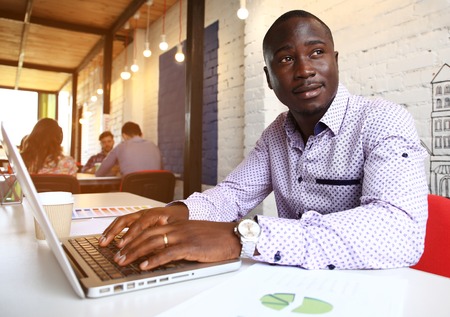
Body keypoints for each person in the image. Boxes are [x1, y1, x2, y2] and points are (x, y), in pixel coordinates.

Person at [99, 10, 428, 272]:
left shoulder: (382, 120)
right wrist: (175, 214)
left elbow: (399, 231)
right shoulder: (276, 134)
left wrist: (243, 237)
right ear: (270, 79)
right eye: (286, 59)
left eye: (316, 52)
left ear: (335, 61)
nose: (304, 70)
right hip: (292, 288)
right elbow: (233, 194)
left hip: (370, 290)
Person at [95, 121, 162, 177]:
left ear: (124, 135)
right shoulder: (154, 146)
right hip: (155, 190)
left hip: (130, 191)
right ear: (141, 134)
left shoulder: (121, 147)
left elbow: (99, 173)